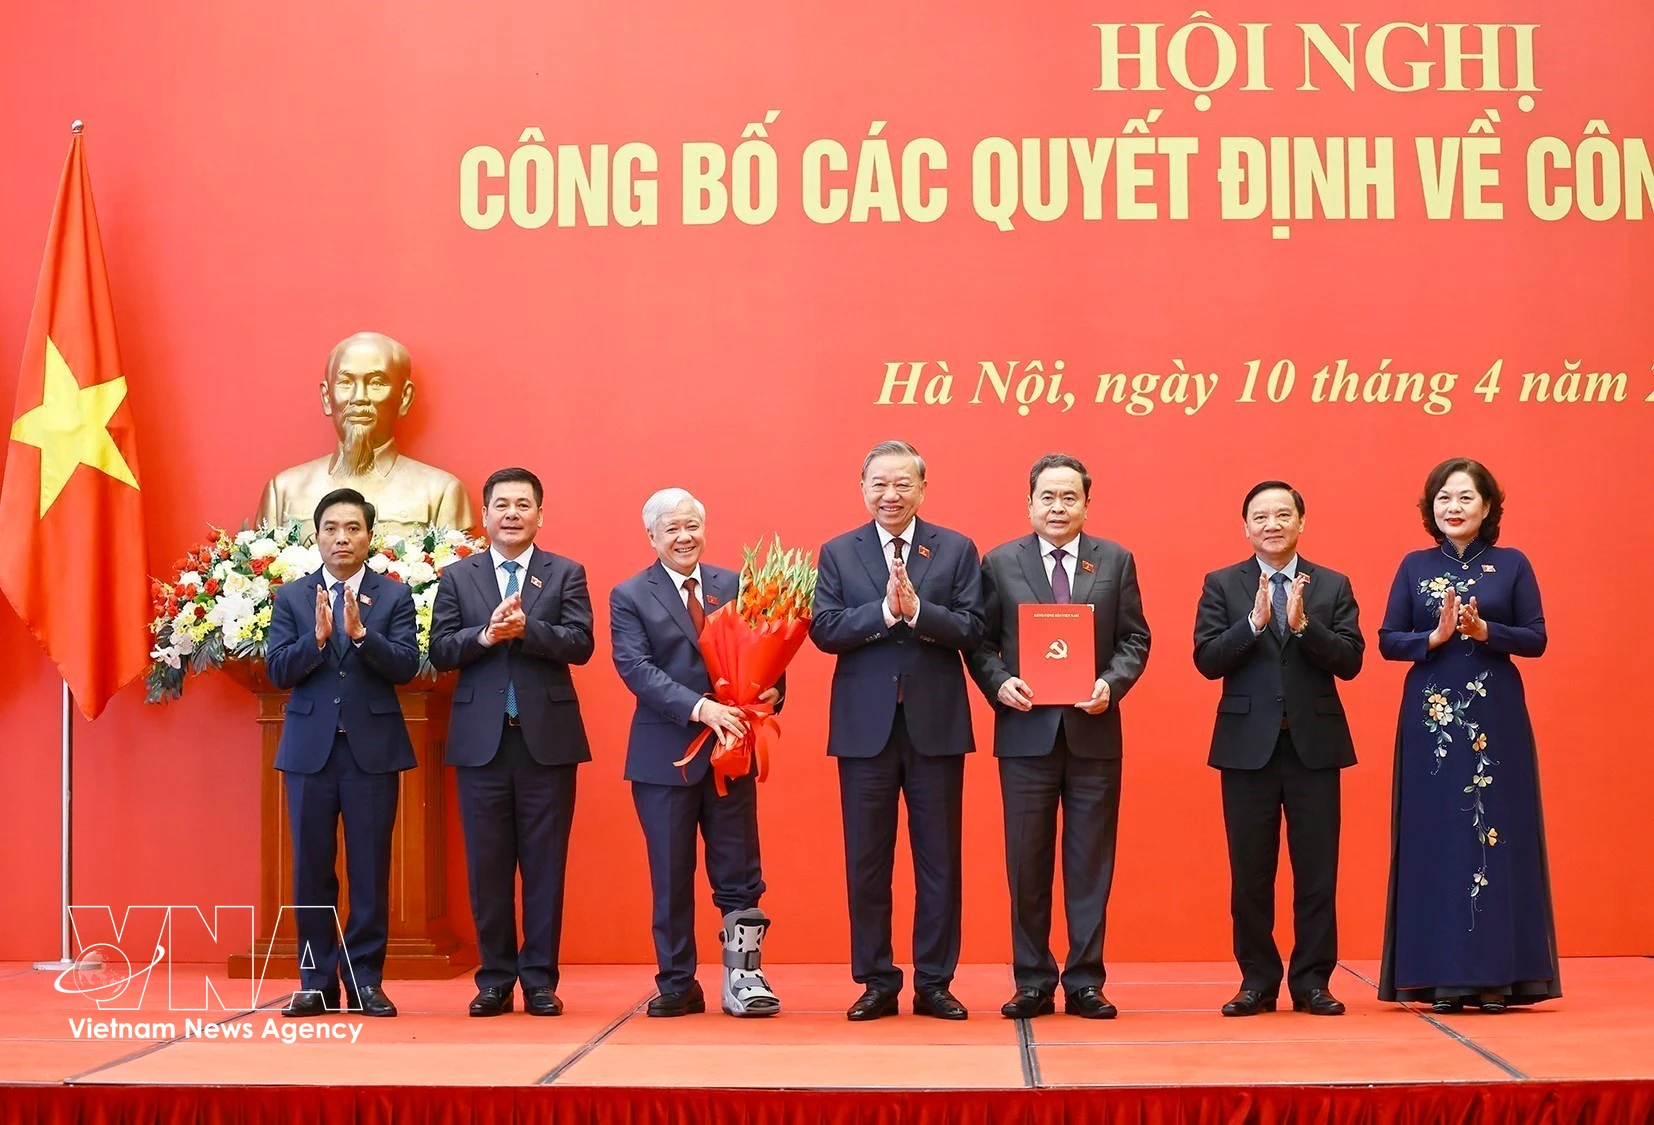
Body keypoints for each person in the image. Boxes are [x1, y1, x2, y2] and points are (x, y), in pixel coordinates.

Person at [967, 454, 1151, 1020]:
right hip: (1026, 734)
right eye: (1047, 496)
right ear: (1029, 503)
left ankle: (1086, 981)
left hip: (1094, 732)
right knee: (1026, 863)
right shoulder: (999, 562)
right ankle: (1033, 980)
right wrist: (1000, 683)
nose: (1057, 507)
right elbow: (979, 642)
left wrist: (1110, 684)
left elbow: (1135, 639)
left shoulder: (1115, 560)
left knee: (1090, 862)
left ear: (1087, 505)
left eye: (1069, 497)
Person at [1377, 458, 1560, 1013]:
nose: (1452, 508)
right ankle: (1439, 978)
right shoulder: (1414, 565)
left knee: (1493, 836)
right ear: (1430, 507)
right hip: (1431, 718)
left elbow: (1536, 639)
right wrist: (1432, 638)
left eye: (1464, 497)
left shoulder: (1512, 564)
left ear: (1487, 507)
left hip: (1495, 719)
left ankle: (1497, 978)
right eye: (1443, 498)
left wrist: (1486, 631)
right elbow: (1387, 640)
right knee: (1436, 838)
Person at [810, 439, 984, 1021]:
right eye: (880, 484)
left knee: (940, 862)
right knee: (867, 862)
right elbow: (825, 629)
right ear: (863, 489)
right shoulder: (839, 552)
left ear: (923, 489)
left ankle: (935, 982)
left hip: (936, 726)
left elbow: (973, 627)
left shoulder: (956, 549)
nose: (891, 494)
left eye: (903, 483)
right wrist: (886, 613)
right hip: (865, 731)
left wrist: (919, 613)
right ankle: (876, 981)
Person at [610, 488, 784, 1017]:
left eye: (692, 526)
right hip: (665, 756)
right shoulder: (630, 595)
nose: (684, 537)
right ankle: (677, 981)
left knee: (740, 871)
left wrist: (771, 691)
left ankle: (744, 977)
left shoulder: (735, 584)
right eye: (672, 529)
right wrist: (701, 709)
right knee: (670, 873)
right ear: (652, 537)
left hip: (731, 752)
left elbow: (770, 652)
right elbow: (636, 668)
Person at [1193, 481, 1363, 1017]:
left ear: (1301, 522)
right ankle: (1257, 982)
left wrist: (1304, 626)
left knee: (1317, 873)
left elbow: (1351, 661)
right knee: (1250, 874)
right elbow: (1206, 660)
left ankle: (1313, 982)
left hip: (1315, 747)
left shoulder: (1332, 584)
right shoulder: (1223, 584)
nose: (1272, 524)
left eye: (1283, 514)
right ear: (1245, 526)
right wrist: (1253, 624)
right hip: (1247, 750)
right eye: (1261, 516)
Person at [429, 467, 593, 1017]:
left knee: (546, 866)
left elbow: (581, 644)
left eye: (524, 505)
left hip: (546, 743)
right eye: (502, 505)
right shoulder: (458, 577)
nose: (512, 514)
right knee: (488, 868)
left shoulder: (565, 573)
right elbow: (441, 650)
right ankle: (495, 979)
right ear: (485, 515)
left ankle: (540, 980)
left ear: (540, 515)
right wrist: (485, 635)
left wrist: (528, 631)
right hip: (483, 744)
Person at [264, 488, 420, 1018]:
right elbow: (278, 670)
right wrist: (315, 640)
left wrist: (360, 636)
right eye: (331, 528)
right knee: (311, 872)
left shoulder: (394, 596)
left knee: (370, 871)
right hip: (310, 753)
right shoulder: (292, 597)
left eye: (353, 528)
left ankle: (365, 980)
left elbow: (406, 666)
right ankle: (316, 982)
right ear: (316, 536)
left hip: (371, 752)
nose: (342, 538)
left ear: (369, 536)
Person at [256, 331, 477, 537]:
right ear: (326, 397)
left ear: (404, 397)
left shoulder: (441, 493)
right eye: (345, 382)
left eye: (376, 383)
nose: (359, 397)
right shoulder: (283, 491)